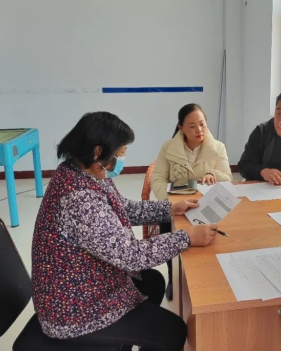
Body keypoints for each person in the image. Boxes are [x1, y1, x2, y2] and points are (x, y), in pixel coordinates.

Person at [31, 112, 218, 351]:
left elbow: (122, 208)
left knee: (153, 281)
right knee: (172, 330)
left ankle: (124, 343)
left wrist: (170, 209)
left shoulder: (82, 170)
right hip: (74, 309)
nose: (121, 159)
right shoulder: (78, 199)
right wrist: (187, 237)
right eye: (119, 153)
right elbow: (131, 255)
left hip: (82, 282)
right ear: (98, 151)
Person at [152, 103, 232, 299]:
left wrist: (213, 174)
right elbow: (158, 179)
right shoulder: (168, 148)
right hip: (177, 204)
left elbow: (228, 178)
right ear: (181, 128)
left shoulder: (217, 147)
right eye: (192, 126)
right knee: (167, 228)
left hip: (205, 204)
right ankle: (173, 277)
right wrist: (169, 203)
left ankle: (205, 278)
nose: (199, 130)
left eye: (202, 124)